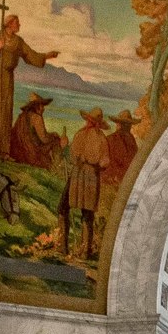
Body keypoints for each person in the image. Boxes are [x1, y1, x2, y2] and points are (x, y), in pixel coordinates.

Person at [0, 14, 59, 158]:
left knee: (5, 111)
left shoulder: (18, 42)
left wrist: (45, 56)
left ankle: (3, 150)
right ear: (10, 24)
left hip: (7, 78)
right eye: (17, 23)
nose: (19, 25)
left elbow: (29, 54)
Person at [64, 108, 112, 259]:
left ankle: (84, 250)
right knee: (87, 213)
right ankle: (84, 250)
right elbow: (105, 162)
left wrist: (82, 160)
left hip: (83, 175)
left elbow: (73, 155)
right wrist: (96, 165)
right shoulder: (98, 138)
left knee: (86, 212)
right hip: (86, 175)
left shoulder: (83, 134)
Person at [8, 93, 61, 166]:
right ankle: (57, 165)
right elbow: (44, 139)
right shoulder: (36, 117)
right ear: (37, 106)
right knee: (56, 139)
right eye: (42, 105)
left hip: (18, 152)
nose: (43, 108)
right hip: (31, 153)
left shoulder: (22, 116)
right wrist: (53, 136)